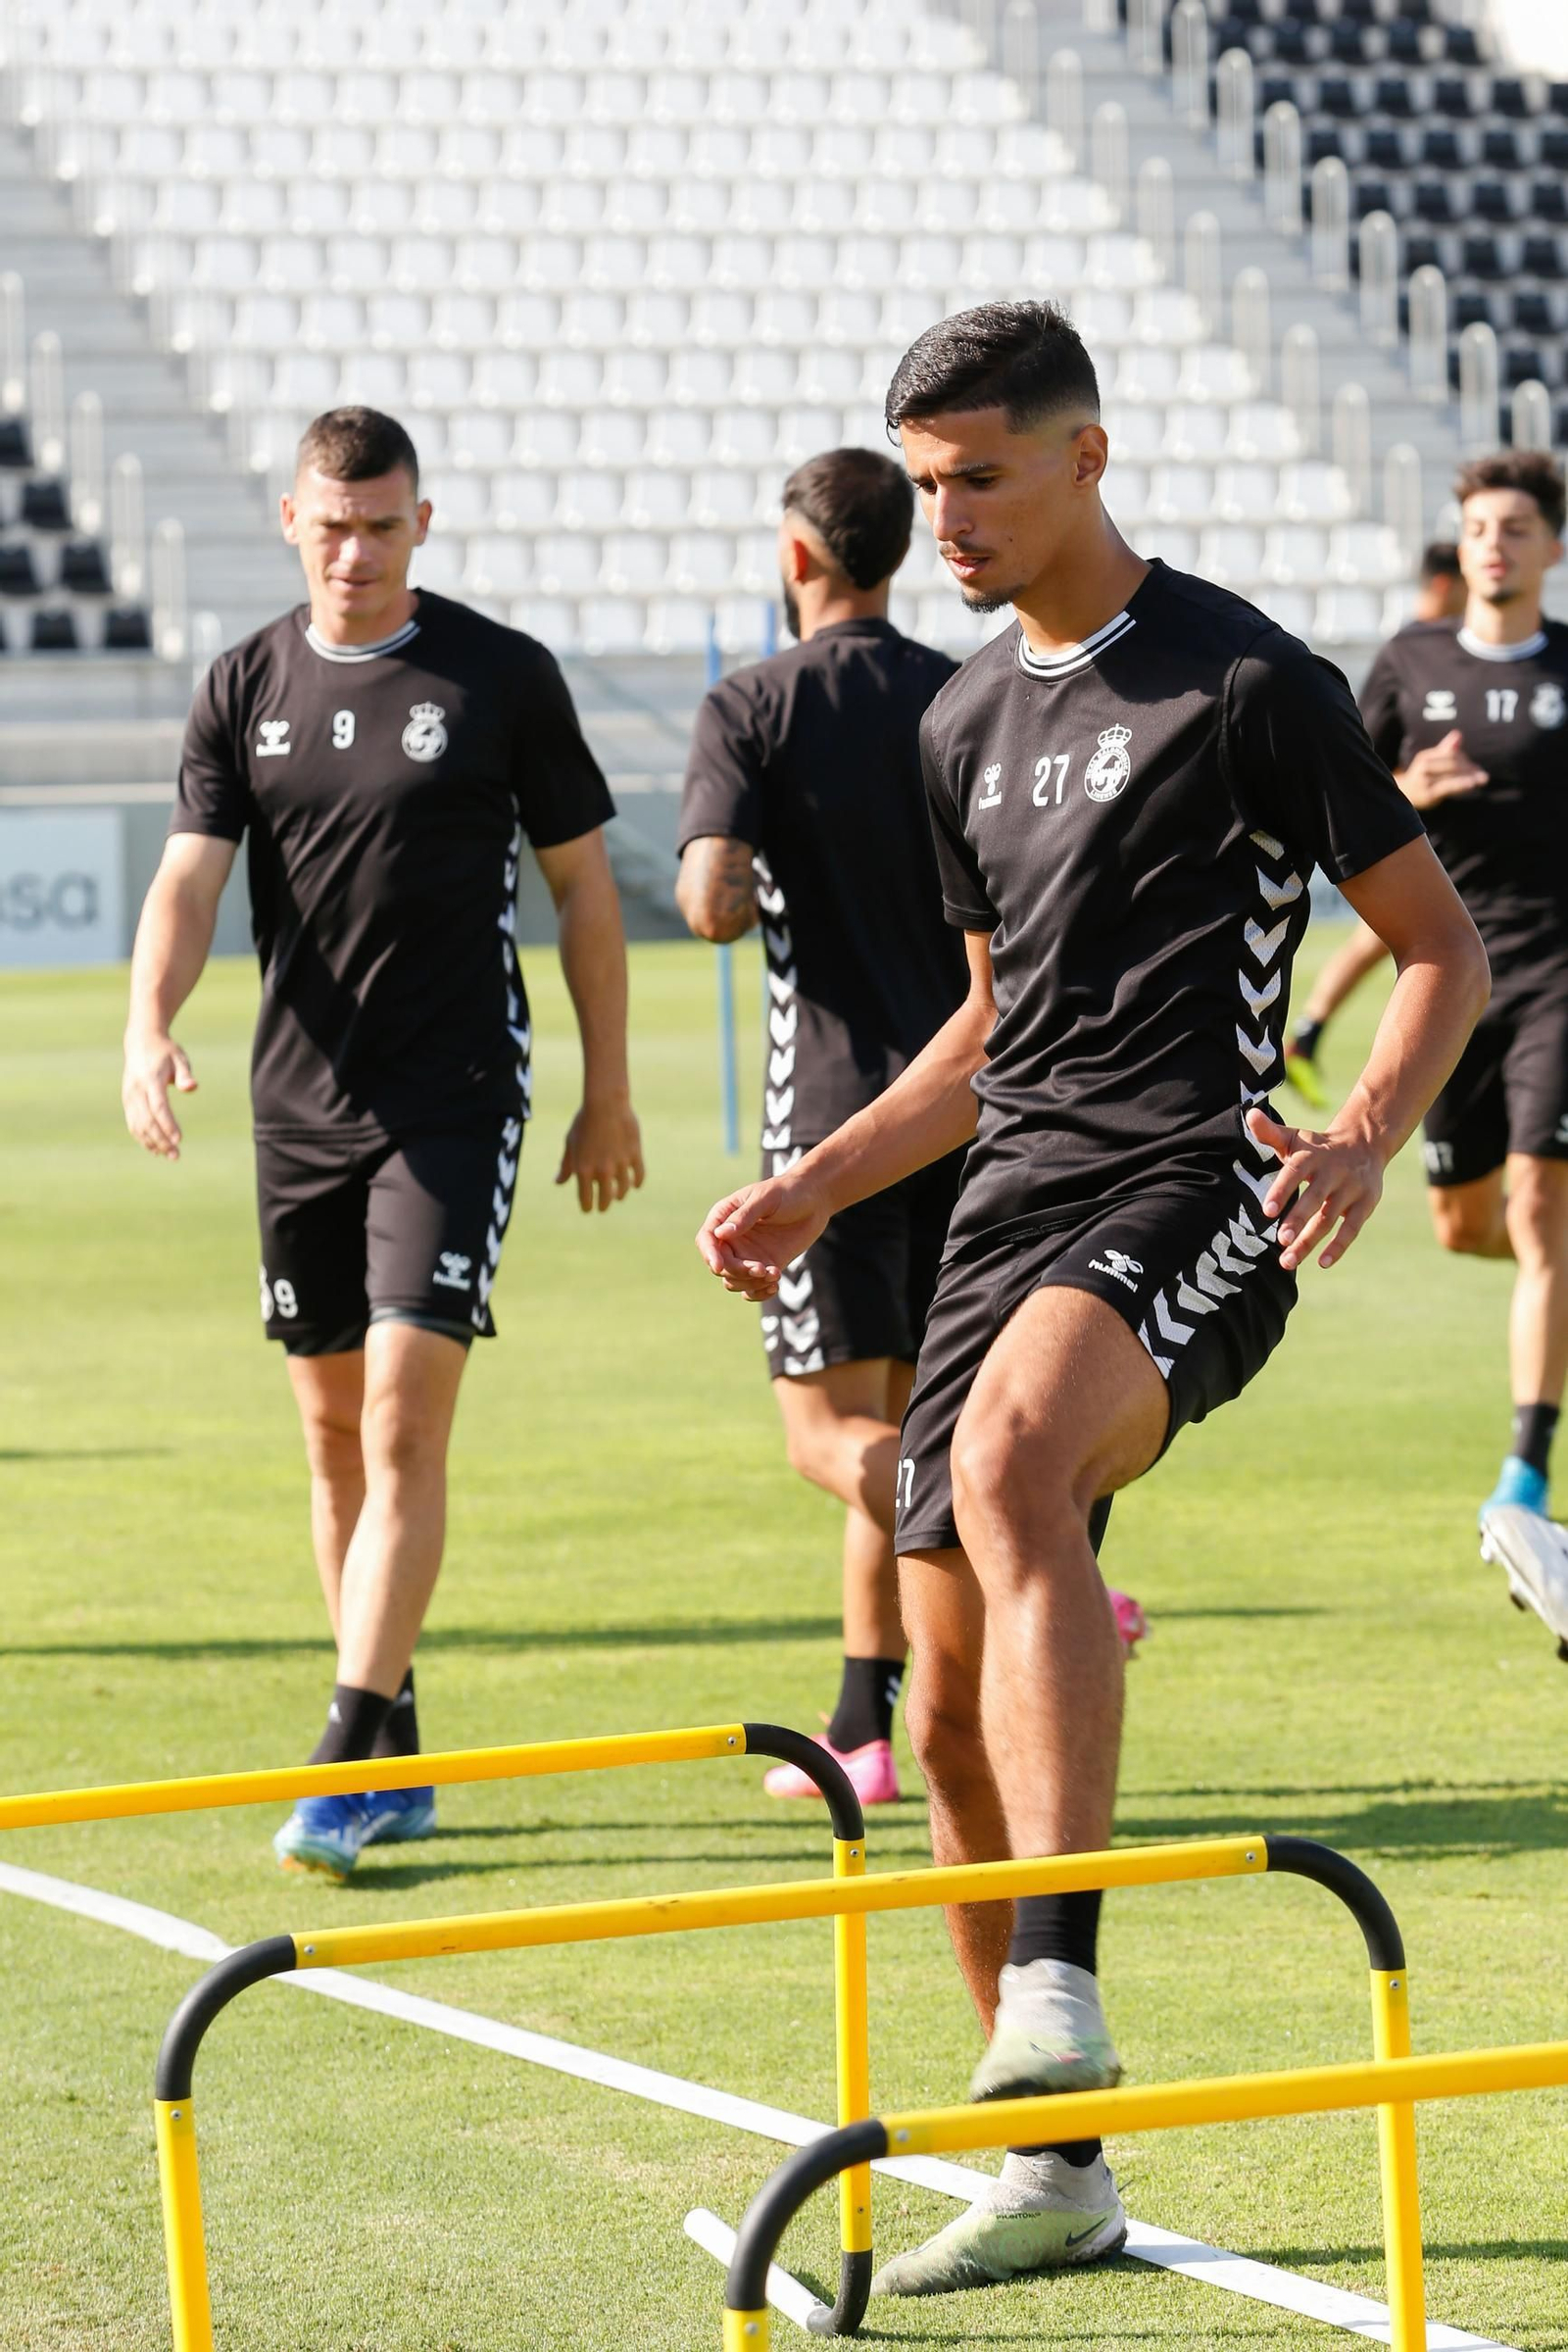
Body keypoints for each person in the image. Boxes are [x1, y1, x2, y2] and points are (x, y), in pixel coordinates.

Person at [696, 303, 1487, 2298]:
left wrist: (1362, 1131)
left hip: (1195, 1172)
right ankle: (1056, 2168)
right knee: (943, 1713)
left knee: (1010, 1446)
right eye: (924, 480)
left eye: (977, 475)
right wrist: (812, 1182)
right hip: (1006, 1202)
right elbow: (984, 1032)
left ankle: (1052, 1984)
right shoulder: (959, 727)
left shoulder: (1243, 682)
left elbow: (1433, 949)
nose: (941, 514)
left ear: (1083, 458)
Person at [122, 407, 643, 1881]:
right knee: (332, 1437)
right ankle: (396, 1740)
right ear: (292, 521)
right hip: (298, 1106)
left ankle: (345, 1746)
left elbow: (588, 898)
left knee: (408, 1420)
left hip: (453, 1097)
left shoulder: (499, 677)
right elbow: (186, 883)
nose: (356, 551)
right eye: (332, 525)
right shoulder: (244, 684)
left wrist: (610, 1091)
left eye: (384, 525)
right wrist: (145, 1023)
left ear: (425, 525)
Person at [677, 450, 1150, 1810]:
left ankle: (1039, 1553)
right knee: (916, 1410)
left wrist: (754, 861)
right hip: (978, 1108)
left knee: (831, 1435)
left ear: (801, 559)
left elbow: (708, 901)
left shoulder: (754, 702)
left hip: (832, 1110)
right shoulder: (966, 695)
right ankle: (861, 1725)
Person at [1359, 453, 1568, 1530]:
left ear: (1552, 548)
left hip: (1558, 977)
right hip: (1448, 981)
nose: (1495, 542)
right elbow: (1337, 821)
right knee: (1464, 1221)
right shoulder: (1407, 661)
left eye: (1518, 526)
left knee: (1540, 1208)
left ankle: (1526, 1470)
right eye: (1481, 525)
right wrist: (1407, 790)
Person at [1284, 543, 1466, 1108]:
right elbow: (1357, 769)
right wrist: (1411, 784)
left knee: (1382, 943)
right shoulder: (1406, 655)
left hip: (1474, 853)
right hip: (1417, 845)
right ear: (1443, 584)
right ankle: (1310, 1043)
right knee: (1421, 945)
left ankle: (1307, 1039)